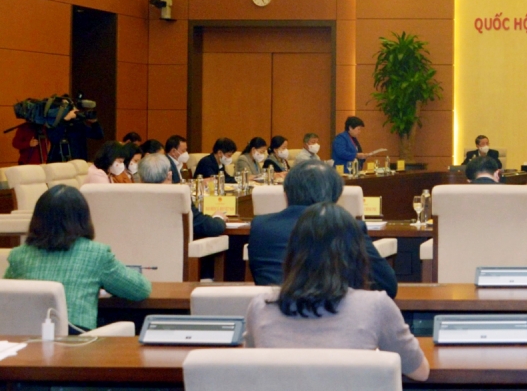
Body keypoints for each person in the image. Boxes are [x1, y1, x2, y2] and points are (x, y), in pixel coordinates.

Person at [244, 202, 428, 381]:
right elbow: (420, 372)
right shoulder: (376, 306)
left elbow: (250, 371)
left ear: (292, 252)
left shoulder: (260, 306)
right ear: (356, 253)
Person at [3, 185, 151, 330]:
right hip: (78, 340)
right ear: (83, 218)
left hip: (28, 338)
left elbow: (6, 298)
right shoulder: (96, 254)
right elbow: (140, 290)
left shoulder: (19, 255)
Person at [247, 160, 397, 295]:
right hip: (334, 311)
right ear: (335, 198)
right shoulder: (347, 227)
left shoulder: (261, 227)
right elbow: (387, 286)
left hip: (278, 312)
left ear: (285, 194)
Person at [139, 153, 226, 240]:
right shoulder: (178, 196)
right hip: (175, 247)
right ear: (169, 175)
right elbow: (210, 227)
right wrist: (218, 217)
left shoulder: (134, 199)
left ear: (141, 179)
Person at [466, 155, 527, 234]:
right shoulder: (516, 193)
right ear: (497, 173)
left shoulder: (459, 197)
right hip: (508, 244)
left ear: (468, 181)